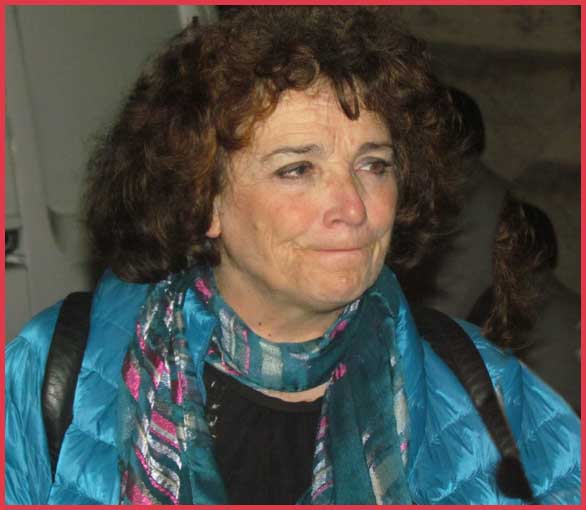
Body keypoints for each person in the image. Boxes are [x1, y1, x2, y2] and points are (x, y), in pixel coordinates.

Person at [5, 6, 580, 505]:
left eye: (373, 165)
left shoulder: (483, 392)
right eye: (298, 169)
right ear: (203, 201)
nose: (353, 207)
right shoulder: (61, 372)